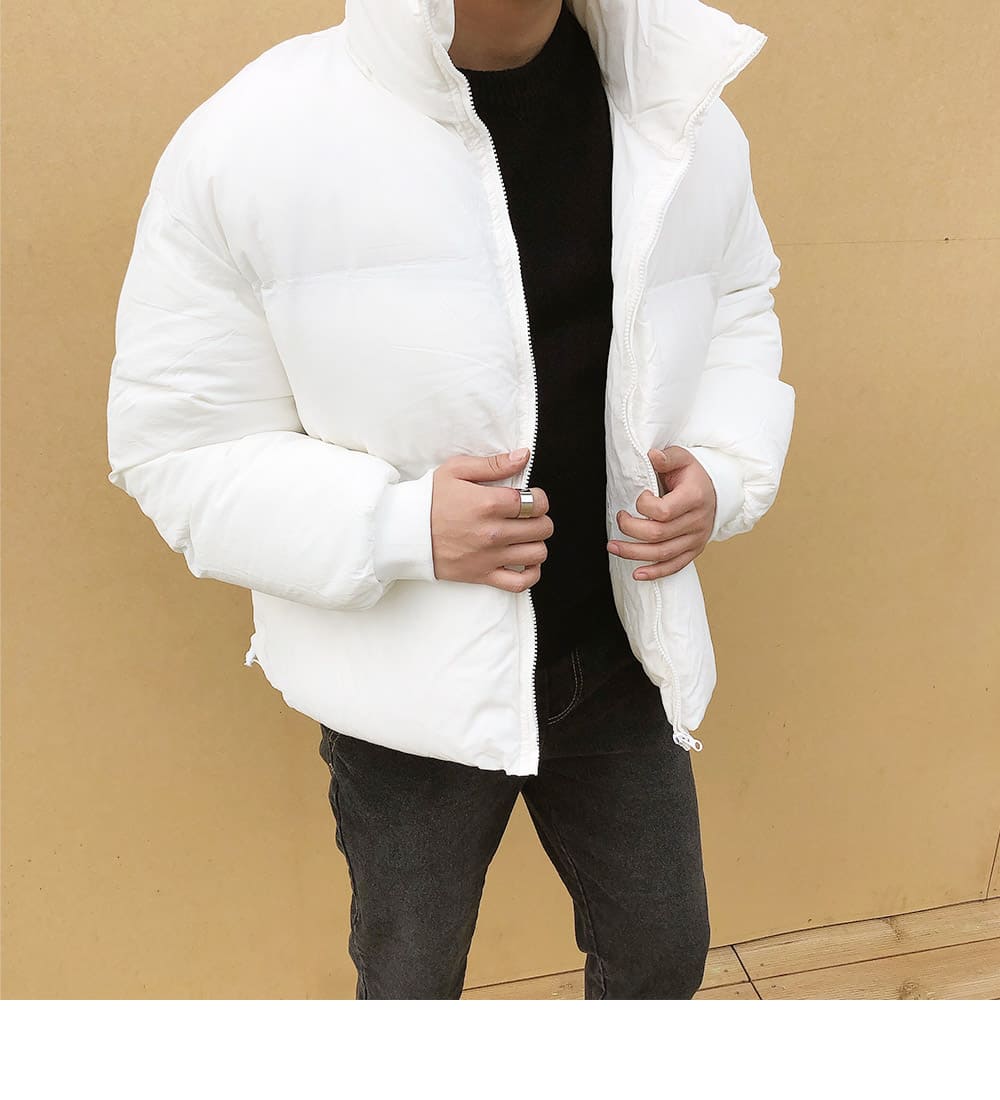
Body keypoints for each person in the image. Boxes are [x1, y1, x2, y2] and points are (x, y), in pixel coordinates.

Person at [106, 0, 795, 999]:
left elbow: (736, 299)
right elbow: (177, 444)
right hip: (401, 689)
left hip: (621, 647)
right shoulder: (250, 138)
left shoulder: (678, 106)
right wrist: (395, 526)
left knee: (662, 954)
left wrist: (724, 469)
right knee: (411, 982)